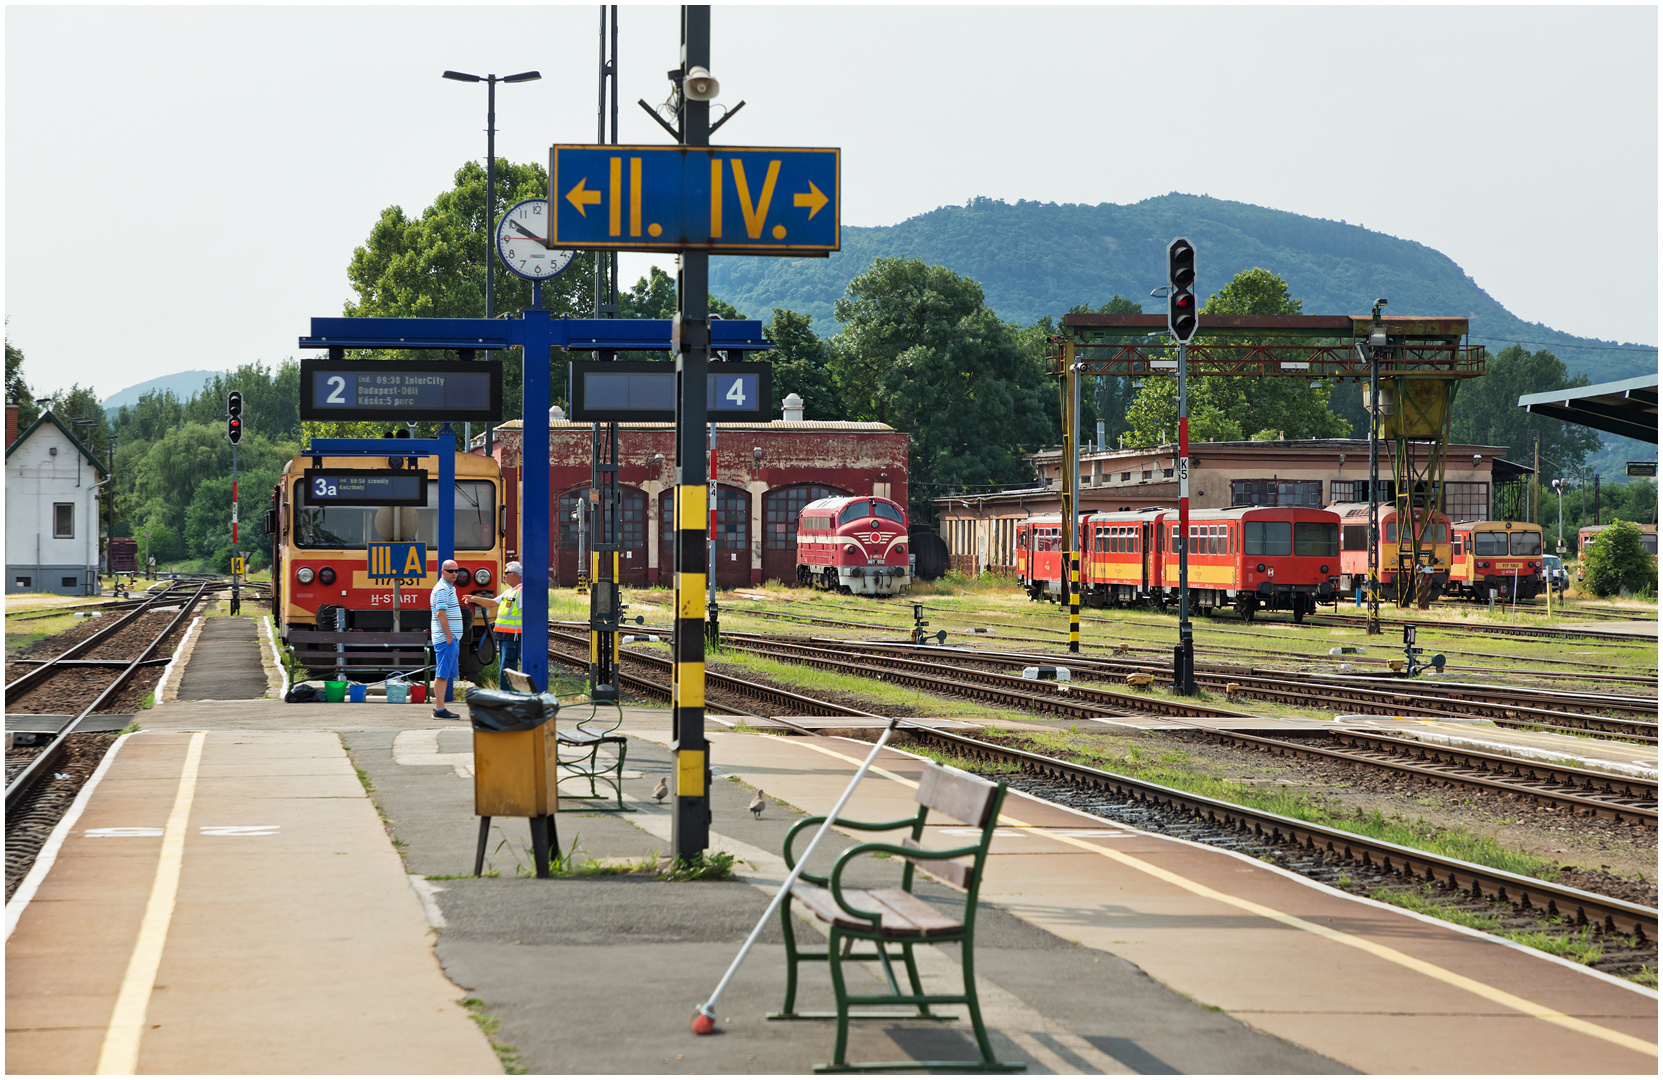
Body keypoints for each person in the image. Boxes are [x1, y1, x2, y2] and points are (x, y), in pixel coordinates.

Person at [466, 560, 523, 685]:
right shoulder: (509, 591)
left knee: (507, 668)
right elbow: (492, 603)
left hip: (513, 636)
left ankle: (508, 695)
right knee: (504, 667)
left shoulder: (521, 591)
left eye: (506, 573)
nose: (504, 575)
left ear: (514, 575)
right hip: (504, 635)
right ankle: (506, 694)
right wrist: (475, 599)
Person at [430, 560, 466, 720]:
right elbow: (441, 613)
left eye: (456, 571)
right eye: (450, 571)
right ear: (442, 571)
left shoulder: (449, 588)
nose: (454, 574)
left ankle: (440, 707)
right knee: (442, 674)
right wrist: (449, 636)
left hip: (449, 639)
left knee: (445, 674)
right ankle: (439, 709)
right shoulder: (442, 589)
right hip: (446, 639)